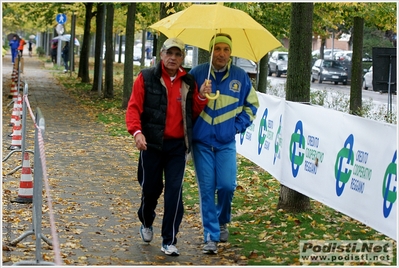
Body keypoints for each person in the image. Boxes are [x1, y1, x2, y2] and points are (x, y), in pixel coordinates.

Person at [125, 37, 210, 256]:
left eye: (177, 54)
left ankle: (169, 240)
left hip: (176, 147)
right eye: (169, 53)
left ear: (182, 58)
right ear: (161, 55)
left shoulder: (188, 81)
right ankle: (146, 221)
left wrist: (201, 97)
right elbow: (133, 108)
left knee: (175, 192)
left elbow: (191, 114)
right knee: (150, 189)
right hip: (151, 144)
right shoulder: (145, 77)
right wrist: (137, 132)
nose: (173, 58)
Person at [189, 33, 259, 254]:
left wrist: (236, 127)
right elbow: (184, 106)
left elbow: (252, 106)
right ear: (211, 52)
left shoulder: (240, 76)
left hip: (226, 142)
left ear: (230, 53)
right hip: (201, 143)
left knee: (227, 186)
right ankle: (210, 235)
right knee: (207, 189)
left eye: (225, 49)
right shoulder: (197, 74)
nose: (221, 53)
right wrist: (199, 94)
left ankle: (222, 220)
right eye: (217, 49)